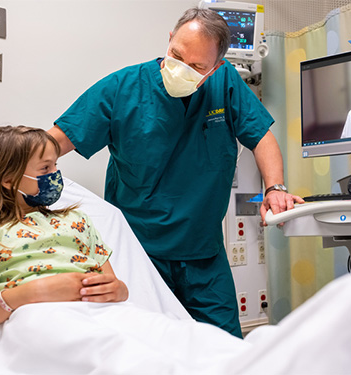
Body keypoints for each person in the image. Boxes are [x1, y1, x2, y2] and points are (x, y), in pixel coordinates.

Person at [48, 7, 303, 338]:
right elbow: (53, 143)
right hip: (138, 253)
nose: (182, 69)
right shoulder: (123, 88)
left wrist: (275, 188)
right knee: (145, 346)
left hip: (203, 256)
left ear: (214, 69)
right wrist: (6, 166)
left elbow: (262, 138)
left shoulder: (224, 84)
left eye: (197, 66)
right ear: (169, 40)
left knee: (224, 348)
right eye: (176, 55)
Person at [0, 125, 129, 334]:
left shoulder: (77, 221)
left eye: (55, 165)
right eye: (45, 169)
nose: (56, 175)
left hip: (100, 316)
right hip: (38, 321)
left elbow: (111, 283)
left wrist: (120, 291)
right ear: (8, 179)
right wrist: (33, 292)